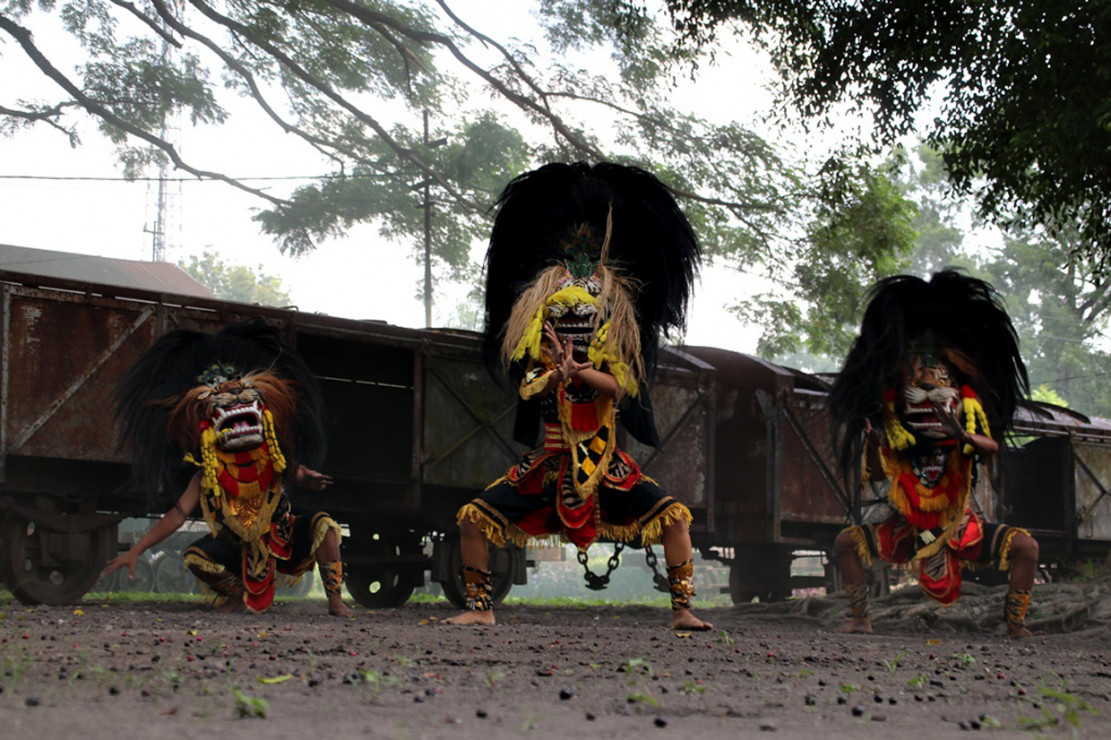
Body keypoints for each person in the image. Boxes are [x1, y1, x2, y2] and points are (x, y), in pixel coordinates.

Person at [443, 162, 711, 630]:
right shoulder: (539, 354)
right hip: (547, 466)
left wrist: (584, 373)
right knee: (472, 518)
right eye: (562, 312)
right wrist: (552, 375)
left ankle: (683, 609)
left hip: (604, 465)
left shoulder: (611, 353)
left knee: (673, 519)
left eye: (582, 313)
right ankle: (480, 608)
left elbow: (621, 388)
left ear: (603, 318)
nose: (572, 320)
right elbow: (528, 386)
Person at [827, 271, 1039, 638]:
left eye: (940, 387)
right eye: (918, 388)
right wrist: (876, 444)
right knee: (845, 542)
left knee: (1027, 548)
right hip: (908, 526)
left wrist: (959, 433)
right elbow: (877, 476)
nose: (927, 393)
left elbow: (992, 448)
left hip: (960, 527)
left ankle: (1016, 625)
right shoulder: (901, 437)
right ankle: (861, 617)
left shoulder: (965, 431)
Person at [104, 318, 353, 617]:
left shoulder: (273, 455)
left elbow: (295, 472)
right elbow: (176, 515)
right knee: (196, 557)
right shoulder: (205, 472)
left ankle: (336, 602)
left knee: (324, 526)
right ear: (207, 423)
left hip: (281, 541)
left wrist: (307, 479)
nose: (236, 401)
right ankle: (237, 595)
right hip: (237, 550)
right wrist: (137, 549)